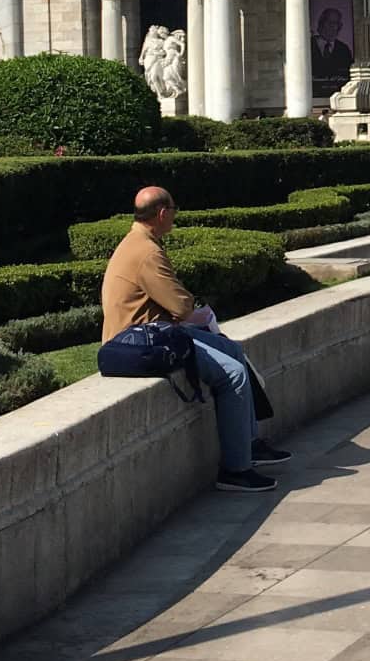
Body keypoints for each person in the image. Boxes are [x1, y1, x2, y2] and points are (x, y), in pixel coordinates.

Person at [101, 187, 289, 492]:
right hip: (141, 344)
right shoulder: (146, 252)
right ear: (162, 213)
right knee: (234, 374)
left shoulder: (139, 242)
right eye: (173, 210)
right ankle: (235, 470)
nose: (175, 215)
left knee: (231, 350)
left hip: (152, 333)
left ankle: (249, 443)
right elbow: (180, 306)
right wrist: (190, 309)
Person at [310, 4, 353, 91]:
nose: (333, 27)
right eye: (329, 22)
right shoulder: (308, 45)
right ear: (321, 23)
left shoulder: (344, 49)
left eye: (336, 23)